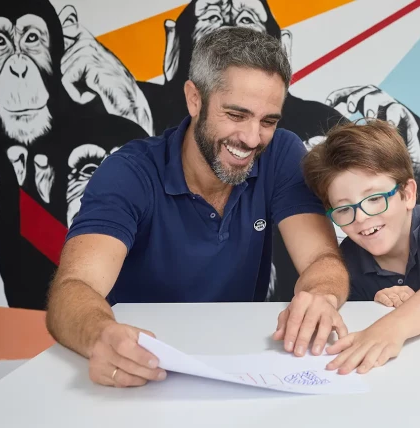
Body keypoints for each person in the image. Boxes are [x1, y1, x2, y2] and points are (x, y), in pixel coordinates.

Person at [45, 27, 350, 388]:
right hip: (141, 369)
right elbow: (73, 287)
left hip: (239, 366)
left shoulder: (280, 153)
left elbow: (322, 261)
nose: (252, 139)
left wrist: (321, 296)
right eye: (236, 115)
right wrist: (100, 336)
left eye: (268, 121)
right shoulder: (128, 172)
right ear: (194, 98)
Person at [301, 119, 420, 375]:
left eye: (374, 199)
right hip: (415, 367)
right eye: (344, 209)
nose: (361, 218)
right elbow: (358, 323)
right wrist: (377, 304)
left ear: (408, 194)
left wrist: (389, 328)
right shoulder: (349, 257)